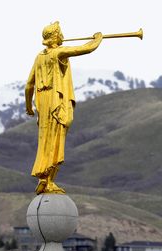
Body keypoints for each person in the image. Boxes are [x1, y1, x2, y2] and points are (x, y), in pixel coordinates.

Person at [25, 21, 102, 194]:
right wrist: (98, 39)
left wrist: (28, 105)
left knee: (45, 139)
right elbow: (84, 49)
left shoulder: (39, 57)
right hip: (54, 101)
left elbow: (29, 85)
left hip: (43, 103)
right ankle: (48, 179)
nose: (63, 36)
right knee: (56, 138)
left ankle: (44, 178)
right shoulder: (58, 52)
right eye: (60, 33)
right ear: (54, 37)